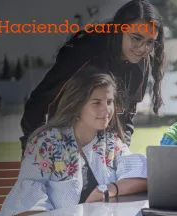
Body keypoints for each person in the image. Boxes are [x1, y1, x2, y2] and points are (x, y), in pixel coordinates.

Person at [0, 66, 148, 216]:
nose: (106, 110)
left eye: (110, 102)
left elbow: (140, 177)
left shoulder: (109, 143)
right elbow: (27, 204)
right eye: (97, 102)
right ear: (77, 105)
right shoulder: (46, 142)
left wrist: (106, 189)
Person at [20, 0, 165, 153]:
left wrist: (122, 151)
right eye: (136, 38)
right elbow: (39, 103)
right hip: (62, 147)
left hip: (103, 153)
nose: (143, 48)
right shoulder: (84, 51)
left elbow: (126, 117)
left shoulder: (141, 63)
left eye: (150, 42)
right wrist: (35, 148)